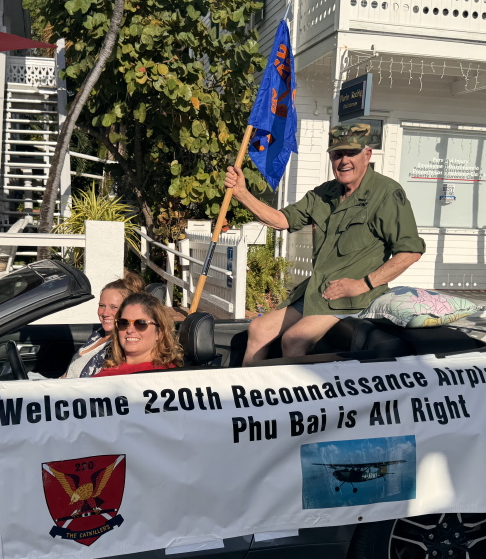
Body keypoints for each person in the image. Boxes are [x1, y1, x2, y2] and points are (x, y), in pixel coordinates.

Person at [225, 122, 425, 364]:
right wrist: (242, 194)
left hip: (355, 298)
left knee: (294, 339)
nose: (344, 161)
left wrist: (362, 284)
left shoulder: (387, 193)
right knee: (258, 329)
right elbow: (281, 220)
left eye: (351, 153)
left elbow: (410, 251)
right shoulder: (324, 193)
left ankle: (297, 401)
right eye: (338, 154)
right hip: (319, 290)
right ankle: (248, 396)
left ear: (367, 154)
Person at [62, 270, 146, 378]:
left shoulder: (123, 346)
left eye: (114, 307)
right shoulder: (98, 334)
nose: (105, 313)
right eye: (102, 305)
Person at [94, 292, 183, 377]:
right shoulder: (106, 372)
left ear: (159, 333)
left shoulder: (165, 377)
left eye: (140, 323)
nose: (130, 330)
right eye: (123, 323)